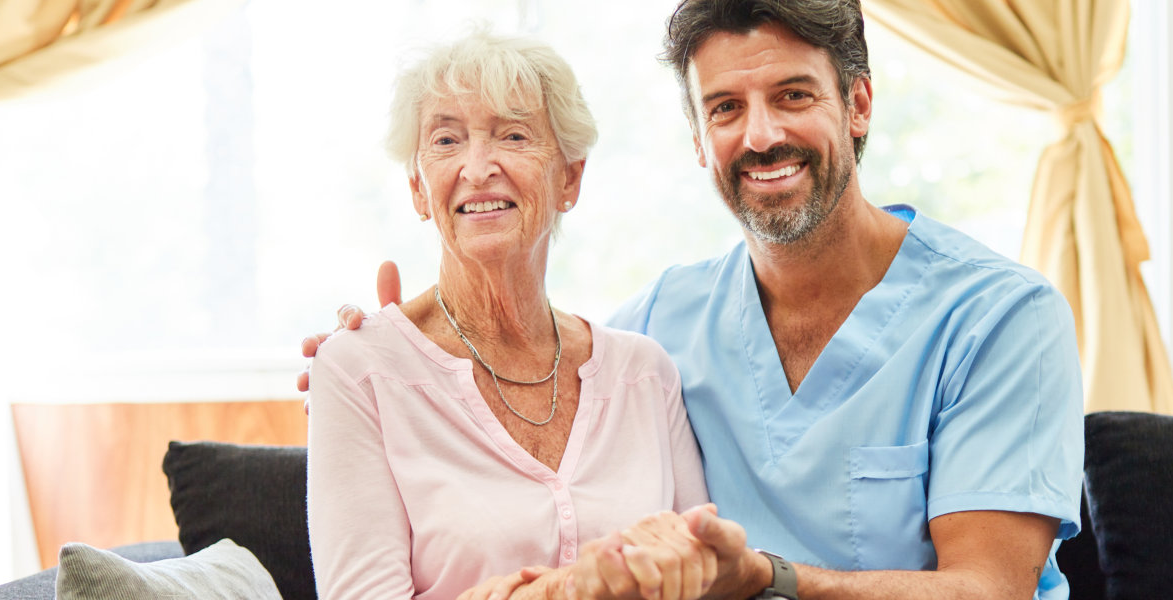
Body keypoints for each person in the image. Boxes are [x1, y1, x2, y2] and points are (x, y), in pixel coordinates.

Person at [304, 1, 1085, 598]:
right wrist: (374, 358)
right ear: (697, 138)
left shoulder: (1002, 320)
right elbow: (515, 375)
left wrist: (769, 578)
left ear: (858, 105)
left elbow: (988, 590)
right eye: (725, 108)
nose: (760, 135)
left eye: (792, 95)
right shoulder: (658, 332)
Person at [304, 29, 723, 600]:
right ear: (419, 190)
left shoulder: (644, 373)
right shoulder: (358, 369)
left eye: (514, 134)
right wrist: (568, 590)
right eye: (447, 141)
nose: (478, 168)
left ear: (569, 179)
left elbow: (703, 575)